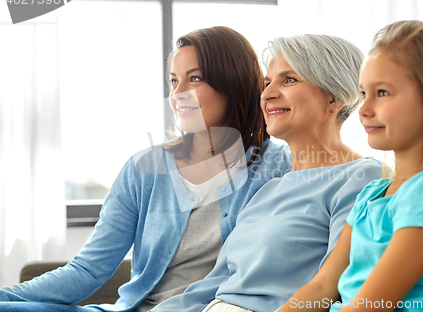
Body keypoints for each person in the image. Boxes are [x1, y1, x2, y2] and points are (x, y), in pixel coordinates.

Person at [0, 26, 292, 312]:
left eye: (195, 78)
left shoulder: (277, 166)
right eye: (174, 81)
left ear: (233, 83)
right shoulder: (143, 169)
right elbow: (89, 270)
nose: (178, 94)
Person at [151, 34, 383, 312]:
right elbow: (211, 285)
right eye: (267, 82)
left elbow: (335, 290)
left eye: (289, 80)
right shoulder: (268, 190)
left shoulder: (362, 178)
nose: (267, 94)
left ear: (335, 97)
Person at [278, 21, 423, 312]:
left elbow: (370, 307)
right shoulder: (372, 195)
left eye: (382, 93)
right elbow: (321, 287)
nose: (363, 109)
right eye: (363, 93)